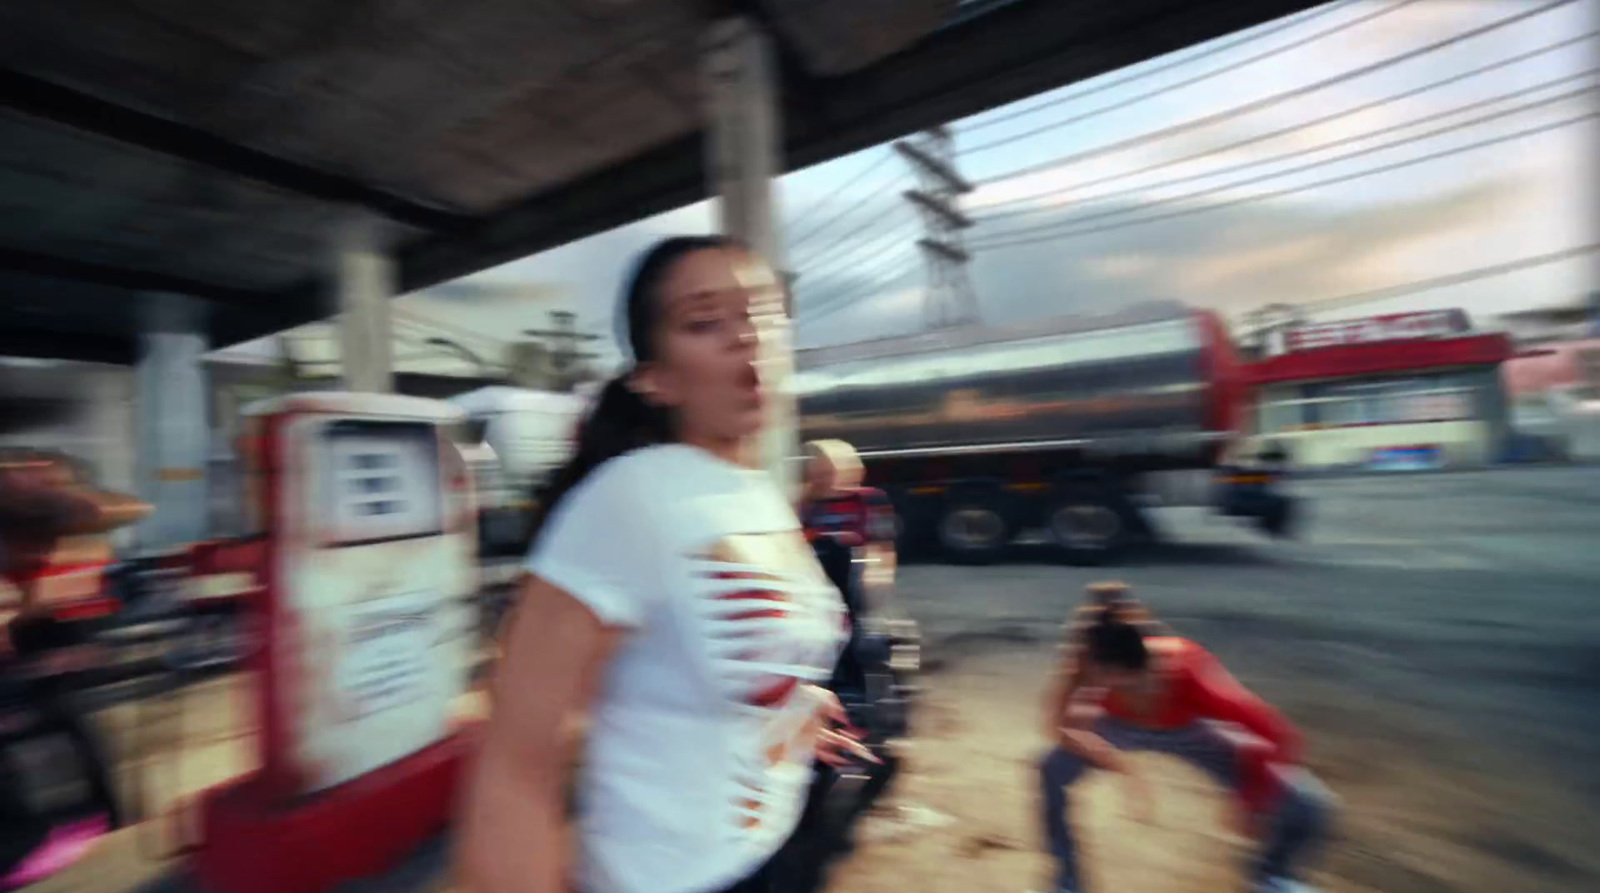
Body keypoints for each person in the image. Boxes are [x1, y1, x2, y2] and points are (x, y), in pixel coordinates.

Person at [456, 236, 875, 893]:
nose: (748, 338)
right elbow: (516, 765)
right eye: (705, 322)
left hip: (774, 852)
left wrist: (796, 708)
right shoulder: (630, 497)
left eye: (763, 313)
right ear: (656, 378)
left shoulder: (756, 489)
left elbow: (708, 660)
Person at [1037, 582, 1334, 893]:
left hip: (1189, 730)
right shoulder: (1086, 665)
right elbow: (1056, 729)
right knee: (1049, 768)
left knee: (1308, 802)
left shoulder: (1189, 671)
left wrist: (1251, 798)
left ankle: (1270, 876)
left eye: (1143, 683)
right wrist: (1113, 761)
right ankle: (1066, 884)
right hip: (1117, 726)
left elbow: (1278, 734)